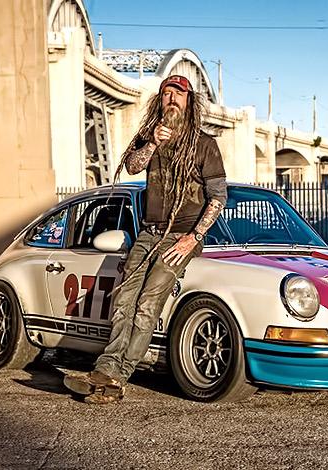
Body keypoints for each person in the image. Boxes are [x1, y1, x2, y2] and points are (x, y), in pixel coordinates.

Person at [63, 75, 227, 404]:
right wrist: (152, 142)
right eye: (167, 93)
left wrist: (193, 237)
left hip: (181, 236)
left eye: (178, 94)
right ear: (159, 100)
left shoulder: (205, 144)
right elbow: (132, 166)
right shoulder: (149, 135)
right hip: (148, 232)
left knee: (147, 304)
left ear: (190, 102)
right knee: (124, 300)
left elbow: (218, 198)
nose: (172, 99)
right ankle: (106, 373)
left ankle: (118, 375)